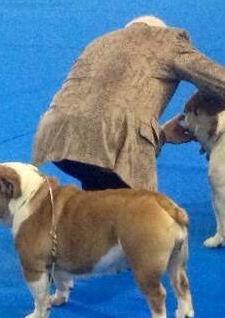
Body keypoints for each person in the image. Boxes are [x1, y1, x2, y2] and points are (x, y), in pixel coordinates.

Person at [32, 15, 225, 191]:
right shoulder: (168, 40)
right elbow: (220, 82)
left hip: (56, 137)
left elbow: (98, 112)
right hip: (111, 145)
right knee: (142, 213)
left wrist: (162, 136)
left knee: (99, 193)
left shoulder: (98, 42)